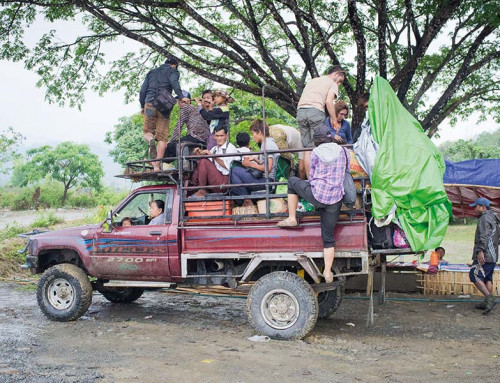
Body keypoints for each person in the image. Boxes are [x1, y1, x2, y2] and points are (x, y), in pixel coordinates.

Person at [276, 126, 348, 283]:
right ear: (330, 137)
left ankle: (292, 218)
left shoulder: (315, 153)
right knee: (328, 238)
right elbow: (345, 170)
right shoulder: (343, 151)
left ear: (317, 140)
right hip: (335, 199)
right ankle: (328, 272)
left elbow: (312, 176)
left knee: (293, 182)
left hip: (318, 196)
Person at [139, 57, 190, 171]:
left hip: (150, 105)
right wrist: (181, 97)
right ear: (174, 65)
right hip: (164, 107)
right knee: (162, 138)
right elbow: (174, 82)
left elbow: (142, 90)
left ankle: (150, 140)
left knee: (148, 132)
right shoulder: (173, 71)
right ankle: (157, 166)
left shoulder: (151, 72)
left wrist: (143, 105)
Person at [296, 65, 346, 178]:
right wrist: (334, 120)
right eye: (340, 81)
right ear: (336, 74)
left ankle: (308, 179)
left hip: (300, 112)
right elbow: (329, 102)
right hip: (316, 112)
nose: (339, 84)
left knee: (307, 147)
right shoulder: (332, 83)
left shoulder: (313, 80)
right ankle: (316, 178)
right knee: (317, 147)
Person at [230, 119, 280, 206]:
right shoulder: (269, 142)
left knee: (234, 170)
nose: (253, 137)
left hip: (266, 180)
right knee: (237, 174)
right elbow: (267, 164)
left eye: (253, 133)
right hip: (265, 179)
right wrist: (254, 159)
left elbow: (268, 168)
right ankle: (246, 199)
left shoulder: (267, 145)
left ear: (259, 132)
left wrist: (250, 164)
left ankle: (246, 199)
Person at [468, 198, 499, 315]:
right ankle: (487, 303)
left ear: (482, 207)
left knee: (474, 274)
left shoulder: (484, 218)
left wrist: (480, 251)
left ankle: (489, 298)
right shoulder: (494, 218)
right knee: (487, 278)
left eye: (475, 207)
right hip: (494, 253)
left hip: (485, 254)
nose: (474, 209)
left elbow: (484, 235)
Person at [191, 125, 238, 197]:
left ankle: (202, 190)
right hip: (214, 179)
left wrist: (213, 156)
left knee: (203, 162)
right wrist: (199, 154)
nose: (219, 138)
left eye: (221, 136)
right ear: (214, 137)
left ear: (226, 136)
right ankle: (196, 188)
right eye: (217, 136)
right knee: (201, 161)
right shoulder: (214, 149)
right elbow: (206, 165)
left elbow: (228, 166)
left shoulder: (230, 148)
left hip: (224, 181)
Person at [163, 90, 210, 159]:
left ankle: (159, 163)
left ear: (188, 101)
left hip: (195, 137)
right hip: (204, 140)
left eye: (182, 101)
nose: (179, 103)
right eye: (178, 101)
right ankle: (164, 164)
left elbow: (178, 126)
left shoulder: (186, 107)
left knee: (170, 146)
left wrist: (170, 141)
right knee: (177, 148)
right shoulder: (196, 109)